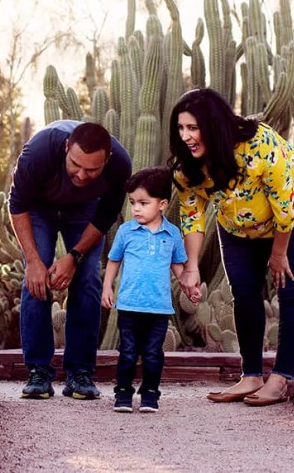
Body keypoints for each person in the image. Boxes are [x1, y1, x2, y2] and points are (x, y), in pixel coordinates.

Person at [171, 88, 294, 406]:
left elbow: (285, 205)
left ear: (212, 125)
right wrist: (192, 266)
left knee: (290, 289)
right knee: (243, 291)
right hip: (237, 223)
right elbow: (192, 217)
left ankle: (282, 377)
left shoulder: (258, 144)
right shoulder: (187, 168)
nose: (185, 136)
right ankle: (251, 375)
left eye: (193, 128)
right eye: (181, 128)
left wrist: (278, 254)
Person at [9, 119, 132, 400]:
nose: (81, 175)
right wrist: (33, 261)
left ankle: (80, 372)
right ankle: (38, 371)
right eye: (75, 164)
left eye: (92, 170)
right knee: (36, 278)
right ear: (66, 148)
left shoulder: (120, 164)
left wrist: (74, 257)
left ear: (107, 160)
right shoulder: (38, 151)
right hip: (39, 207)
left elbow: (105, 217)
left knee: (87, 277)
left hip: (85, 210)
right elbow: (17, 206)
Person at [101, 166, 188, 414]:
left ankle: (150, 394)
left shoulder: (172, 234)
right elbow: (114, 260)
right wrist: (107, 287)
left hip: (158, 308)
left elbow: (178, 266)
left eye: (143, 203)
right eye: (132, 203)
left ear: (162, 205)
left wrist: (188, 286)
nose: (136, 209)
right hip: (129, 305)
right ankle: (123, 393)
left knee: (152, 353)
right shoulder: (126, 231)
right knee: (128, 352)